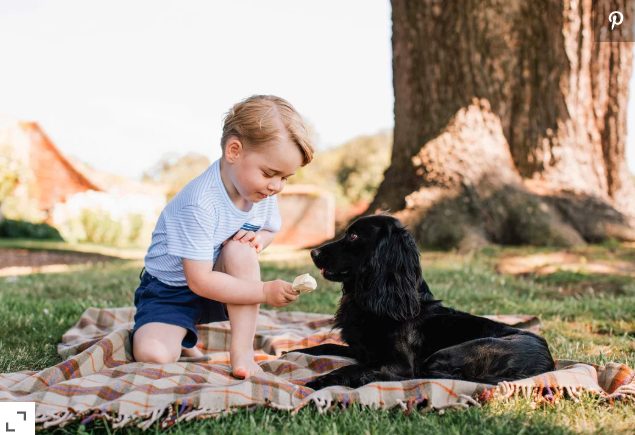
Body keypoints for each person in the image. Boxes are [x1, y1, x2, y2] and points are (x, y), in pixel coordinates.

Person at [131, 95, 314, 379]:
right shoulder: (200, 203)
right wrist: (264, 291)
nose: (276, 186)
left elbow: (269, 229)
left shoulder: (261, 193)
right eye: (270, 173)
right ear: (234, 151)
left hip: (221, 282)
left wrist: (258, 240)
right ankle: (178, 334)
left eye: (285, 178)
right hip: (171, 291)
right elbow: (199, 280)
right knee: (153, 355)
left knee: (241, 250)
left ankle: (242, 353)